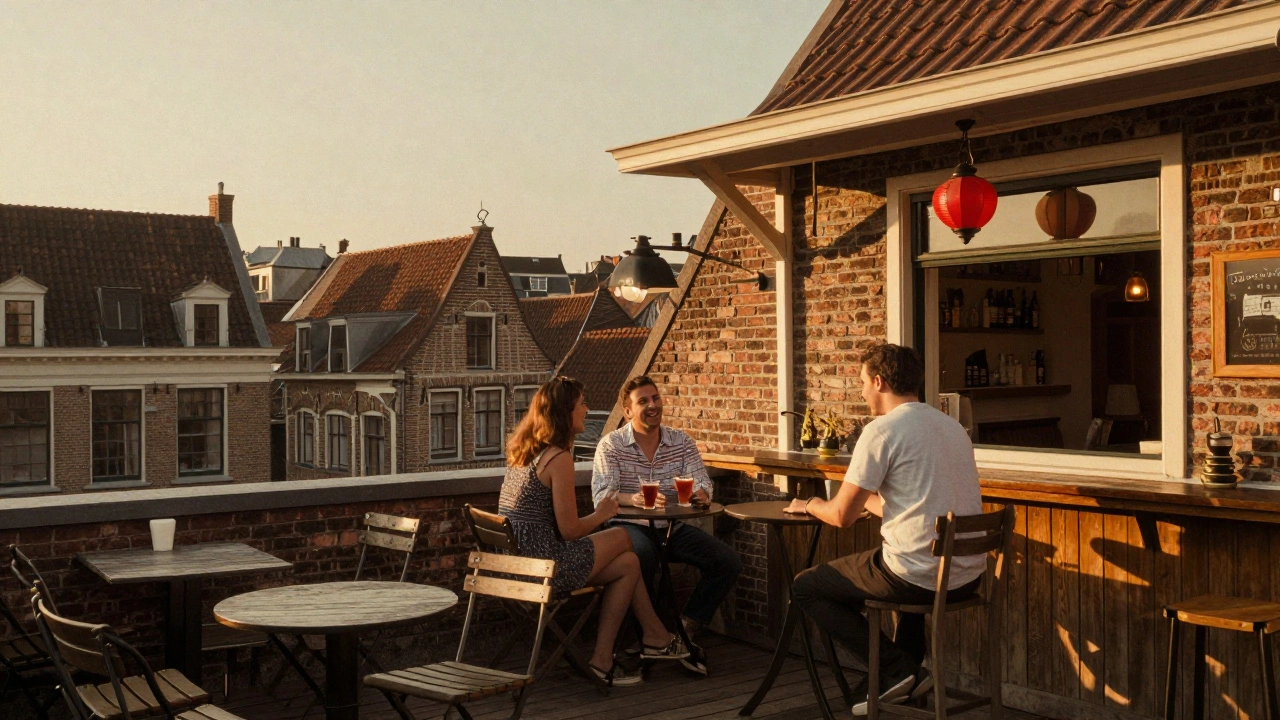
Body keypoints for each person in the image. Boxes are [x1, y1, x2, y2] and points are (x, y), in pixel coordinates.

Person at [786, 344, 985, 716]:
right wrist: (868, 503)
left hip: (918, 575)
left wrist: (809, 503)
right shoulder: (952, 427)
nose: (862, 392)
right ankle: (901, 684)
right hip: (966, 577)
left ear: (879, 382)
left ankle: (896, 670)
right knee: (905, 575)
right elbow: (914, 504)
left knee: (807, 587)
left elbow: (841, 516)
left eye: (863, 382)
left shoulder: (881, 431)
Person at [499, 376, 688, 686]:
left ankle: (606, 660)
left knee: (629, 564)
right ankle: (656, 636)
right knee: (623, 537)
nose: (586, 409)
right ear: (565, 412)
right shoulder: (558, 458)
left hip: (515, 567)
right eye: (582, 404)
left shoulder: (526, 452)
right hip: (545, 568)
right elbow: (570, 530)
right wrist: (601, 514)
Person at [592, 375, 743, 675]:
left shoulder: (681, 441)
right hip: (627, 527)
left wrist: (701, 495)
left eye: (656, 398)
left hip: (671, 526)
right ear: (628, 411)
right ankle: (644, 639)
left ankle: (683, 629)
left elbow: (702, 482)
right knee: (641, 556)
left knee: (727, 561)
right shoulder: (611, 445)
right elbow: (602, 496)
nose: (653, 405)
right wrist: (633, 499)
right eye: (643, 401)